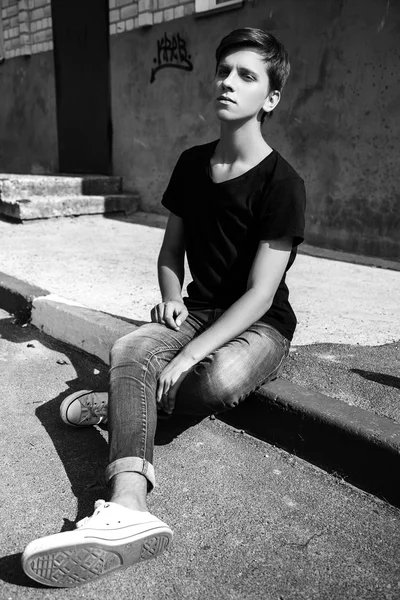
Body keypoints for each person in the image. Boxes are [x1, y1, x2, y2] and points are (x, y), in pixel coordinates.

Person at [22, 27, 306, 587]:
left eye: (247, 76)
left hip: (260, 327)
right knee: (131, 347)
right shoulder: (192, 163)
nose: (228, 82)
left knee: (216, 378)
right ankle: (129, 507)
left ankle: (115, 404)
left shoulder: (283, 184)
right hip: (196, 311)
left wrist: (183, 358)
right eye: (224, 70)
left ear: (270, 98)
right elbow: (170, 252)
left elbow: (259, 294)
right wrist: (172, 298)